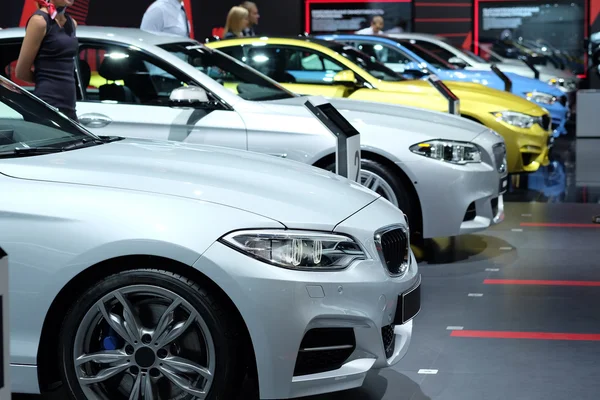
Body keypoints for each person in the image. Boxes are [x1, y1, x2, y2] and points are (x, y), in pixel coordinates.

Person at [16, 0, 79, 121]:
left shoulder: (72, 23)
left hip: (69, 106)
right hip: (46, 105)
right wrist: (47, 80)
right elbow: (21, 72)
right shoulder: (39, 21)